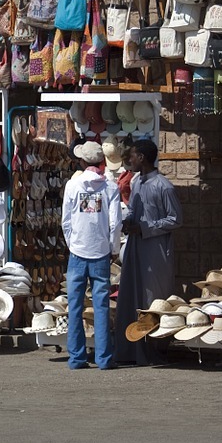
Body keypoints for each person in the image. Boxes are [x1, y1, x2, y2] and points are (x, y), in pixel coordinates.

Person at [115, 139, 183, 366]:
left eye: (132, 155)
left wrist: (145, 228)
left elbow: (175, 219)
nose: (129, 160)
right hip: (135, 248)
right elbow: (134, 210)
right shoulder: (136, 183)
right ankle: (131, 349)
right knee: (132, 296)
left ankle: (155, 351)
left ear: (142, 157)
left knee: (152, 299)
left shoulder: (164, 186)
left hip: (155, 252)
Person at [61, 141, 122, 370]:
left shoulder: (73, 185)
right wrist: (114, 249)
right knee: (101, 306)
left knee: (75, 305)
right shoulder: (110, 187)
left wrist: (72, 244)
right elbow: (115, 223)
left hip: (77, 251)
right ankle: (104, 358)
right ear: (102, 162)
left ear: (83, 162)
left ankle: (76, 358)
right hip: (101, 252)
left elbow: (66, 221)